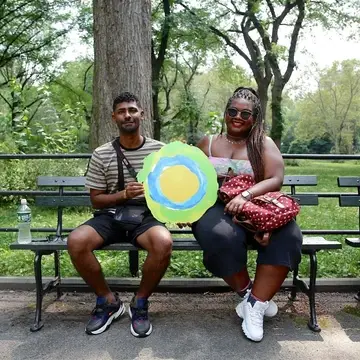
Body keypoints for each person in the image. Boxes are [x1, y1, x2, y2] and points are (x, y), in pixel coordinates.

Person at [191, 87, 302, 342]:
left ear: (255, 117)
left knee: (289, 236)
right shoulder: (208, 143)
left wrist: (246, 196)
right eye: (232, 111)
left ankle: (255, 305)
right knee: (220, 236)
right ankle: (251, 295)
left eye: (245, 113)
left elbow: (276, 178)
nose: (237, 117)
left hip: (254, 206)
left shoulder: (262, 142)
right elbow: (189, 177)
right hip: (213, 206)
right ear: (225, 113)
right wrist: (186, 208)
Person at [67, 92, 172, 338]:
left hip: (147, 216)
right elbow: (96, 199)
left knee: (163, 242)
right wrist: (124, 194)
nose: (128, 115)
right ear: (114, 117)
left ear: (142, 114)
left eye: (133, 110)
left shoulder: (161, 151)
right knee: (76, 241)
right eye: (122, 111)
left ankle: (140, 303)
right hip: (111, 215)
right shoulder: (101, 153)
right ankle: (108, 301)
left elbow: (173, 191)